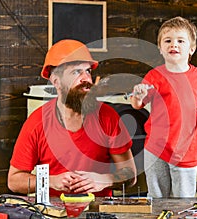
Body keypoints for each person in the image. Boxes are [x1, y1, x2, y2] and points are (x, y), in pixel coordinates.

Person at [8, 39, 137, 197]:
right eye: (76, 72)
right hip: (54, 212)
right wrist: (50, 181)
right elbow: (14, 181)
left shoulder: (108, 116)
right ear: (56, 81)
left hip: (98, 211)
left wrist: (105, 179)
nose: (86, 79)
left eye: (88, 71)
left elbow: (130, 175)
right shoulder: (37, 123)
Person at [130, 16, 197, 198]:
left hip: (187, 148)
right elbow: (137, 105)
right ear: (160, 48)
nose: (173, 44)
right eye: (167, 41)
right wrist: (138, 95)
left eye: (180, 41)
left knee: (183, 200)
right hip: (156, 147)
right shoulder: (153, 76)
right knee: (157, 198)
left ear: (192, 49)